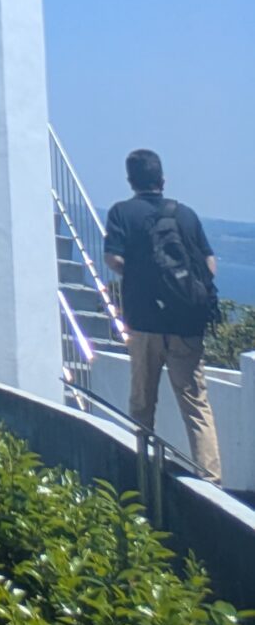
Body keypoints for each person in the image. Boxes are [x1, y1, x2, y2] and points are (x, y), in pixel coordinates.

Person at [103, 147, 221, 483]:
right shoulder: (186, 215)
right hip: (186, 326)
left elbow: (113, 259)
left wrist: (144, 279)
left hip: (143, 323)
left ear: (131, 180)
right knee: (196, 404)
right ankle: (211, 480)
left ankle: (141, 473)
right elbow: (210, 265)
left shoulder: (121, 213)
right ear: (162, 179)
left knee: (142, 401)